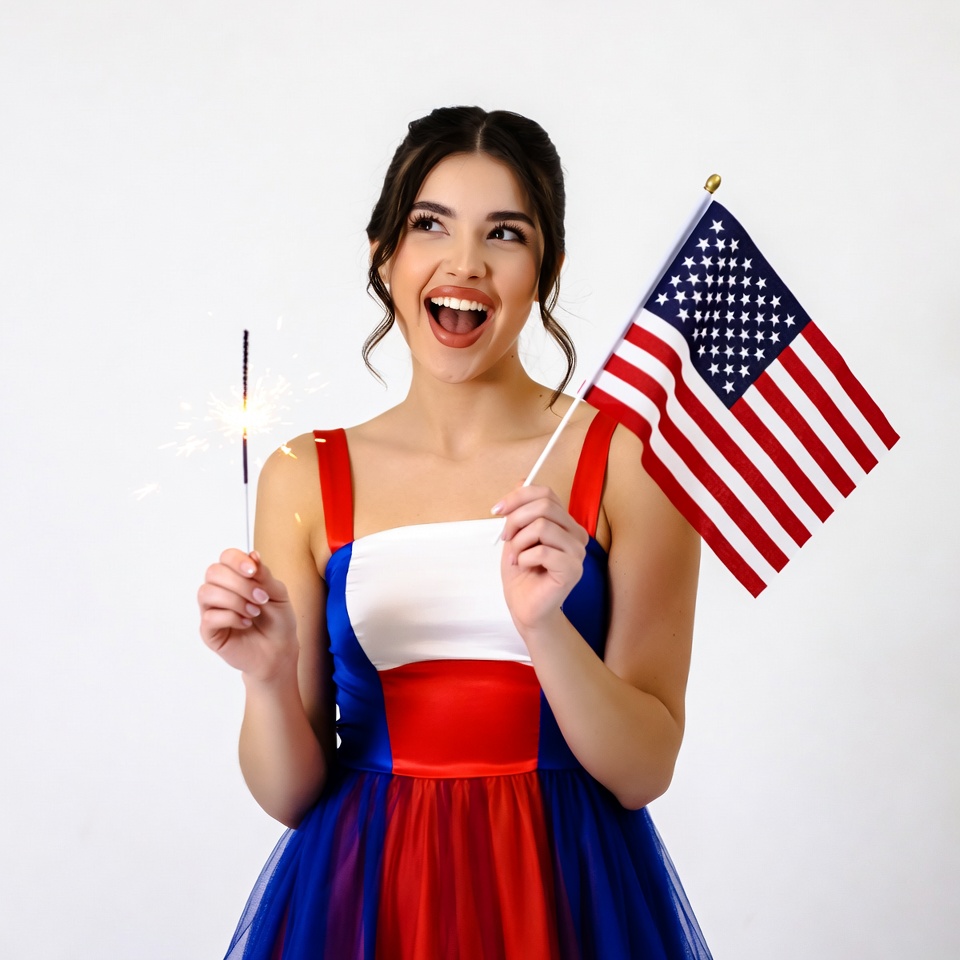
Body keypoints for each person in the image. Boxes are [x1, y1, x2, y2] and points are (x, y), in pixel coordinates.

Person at [198, 106, 712, 960]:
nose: (465, 263)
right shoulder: (303, 475)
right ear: (384, 253)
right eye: (429, 223)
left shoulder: (629, 462)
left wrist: (546, 625)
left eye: (504, 233)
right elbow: (292, 794)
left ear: (544, 267)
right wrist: (261, 680)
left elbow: (644, 769)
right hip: (365, 900)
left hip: (566, 890)